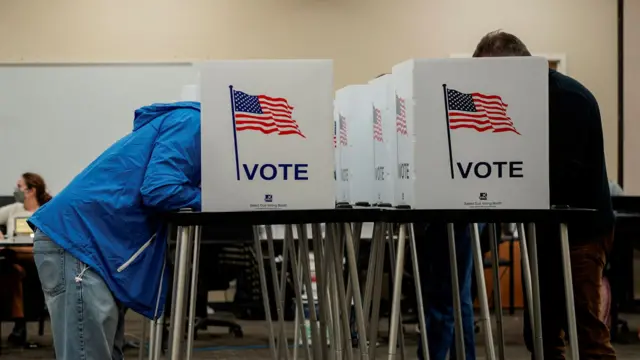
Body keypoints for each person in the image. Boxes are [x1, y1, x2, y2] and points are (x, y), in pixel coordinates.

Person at [473, 31, 616, 359]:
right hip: (542, 230)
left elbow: (561, 172)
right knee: (540, 332)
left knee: (587, 332)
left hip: (581, 231)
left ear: (516, 66)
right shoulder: (523, 99)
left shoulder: (568, 98)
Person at [29, 102, 201, 360]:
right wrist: (219, 197)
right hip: (82, 243)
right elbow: (160, 188)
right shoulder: (193, 121)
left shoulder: (185, 122)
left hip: (89, 244)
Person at [415, 223, 485, 360]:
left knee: (444, 298)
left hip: (451, 215)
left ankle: (432, 356)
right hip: (468, 212)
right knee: (459, 296)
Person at [0, 172, 52, 345]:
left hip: (41, 258)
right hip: (15, 259)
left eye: (20, 187)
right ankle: (19, 326)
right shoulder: (14, 209)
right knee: (13, 271)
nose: (17, 190)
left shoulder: (46, 210)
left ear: (31, 190)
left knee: (14, 259)